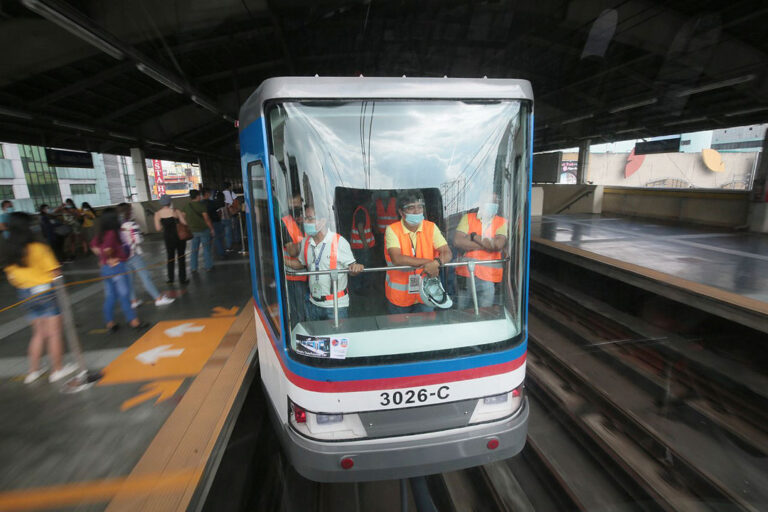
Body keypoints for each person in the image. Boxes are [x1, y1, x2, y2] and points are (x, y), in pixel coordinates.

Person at [1, 212, 77, 384]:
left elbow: (10, 276)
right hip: (45, 292)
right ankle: (57, 370)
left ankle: (33, 371)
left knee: (38, 334)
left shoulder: (7, 249)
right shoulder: (38, 247)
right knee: (54, 334)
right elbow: (55, 271)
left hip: (25, 294)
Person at [286, 204, 363, 321]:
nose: (305, 221)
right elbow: (301, 264)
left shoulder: (339, 242)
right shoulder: (306, 242)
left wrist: (356, 268)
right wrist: (280, 259)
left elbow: (352, 269)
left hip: (336, 306)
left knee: (337, 338)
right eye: (305, 218)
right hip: (313, 304)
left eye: (310, 218)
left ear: (322, 221)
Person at [384, 191, 452, 314]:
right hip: (400, 297)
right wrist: (430, 263)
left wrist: (436, 262)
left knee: (426, 330)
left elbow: (447, 252)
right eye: (411, 208)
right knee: (399, 331)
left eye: (420, 207)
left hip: (427, 293)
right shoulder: (392, 230)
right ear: (401, 212)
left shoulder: (431, 227)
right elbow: (397, 259)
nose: (417, 211)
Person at [90, 208, 147, 331]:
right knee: (124, 294)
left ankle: (109, 323)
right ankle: (133, 321)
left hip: (105, 270)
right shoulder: (112, 233)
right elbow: (107, 248)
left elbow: (94, 246)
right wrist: (109, 258)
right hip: (117, 268)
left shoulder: (101, 233)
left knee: (110, 296)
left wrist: (103, 259)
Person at [453, 194, 508, 309]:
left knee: (485, 313)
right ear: (480, 203)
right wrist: (487, 245)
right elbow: (457, 241)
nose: (492, 204)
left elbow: (497, 245)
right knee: (461, 311)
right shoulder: (467, 218)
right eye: (489, 201)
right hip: (465, 275)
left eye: (495, 202)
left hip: (488, 278)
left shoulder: (502, 222)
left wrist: (474, 236)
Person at [118, 203, 174, 308]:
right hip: (134, 255)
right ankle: (158, 298)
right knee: (145, 277)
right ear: (128, 212)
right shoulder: (132, 225)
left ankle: (133, 301)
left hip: (123, 257)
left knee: (129, 279)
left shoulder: (116, 226)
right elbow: (138, 240)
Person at [281, 193, 308, 321]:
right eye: (294, 203)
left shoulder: (305, 219)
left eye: (299, 203)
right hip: (295, 275)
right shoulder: (287, 222)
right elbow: (292, 251)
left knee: (307, 308)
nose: (297, 206)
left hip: (310, 273)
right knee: (299, 310)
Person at [154, 195, 188, 284]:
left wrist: (164, 225)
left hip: (168, 238)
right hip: (179, 237)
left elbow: (158, 228)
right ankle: (182, 279)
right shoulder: (176, 211)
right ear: (170, 202)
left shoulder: (158, 214)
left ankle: (171, 279)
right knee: (181, 257)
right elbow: (184, 223)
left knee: (170, 258)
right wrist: (183, 216)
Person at [182, 189, 214, 273]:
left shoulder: (186, 206)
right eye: (199, 195)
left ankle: (193, 268)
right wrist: (211, 229)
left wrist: (188, 225)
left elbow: (182, 218)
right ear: (197, 196)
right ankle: (208, 266)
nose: (200, 196)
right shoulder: (201, 206)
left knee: (194, 250)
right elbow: (206, 219)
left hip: (193, 231)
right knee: (206, 249)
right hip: (204, 230)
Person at [349, 195, 376, 294]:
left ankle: (361, 288)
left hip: (360, 246)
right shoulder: (361, 211)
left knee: (362, 267)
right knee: (361, 268)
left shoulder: (361, 210)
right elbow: (360, 227)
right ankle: (360, 289)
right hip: (361, 247)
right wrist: (365, 244)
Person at [202, 188, 225, 258]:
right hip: (215, 222)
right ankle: (221, 254)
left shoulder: (200, 204)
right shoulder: (211, 203)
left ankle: (209, 257)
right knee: (218, 239)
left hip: (205, 224)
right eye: (209, 193)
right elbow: (221, 206)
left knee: (207, 242)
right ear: (207, 194)